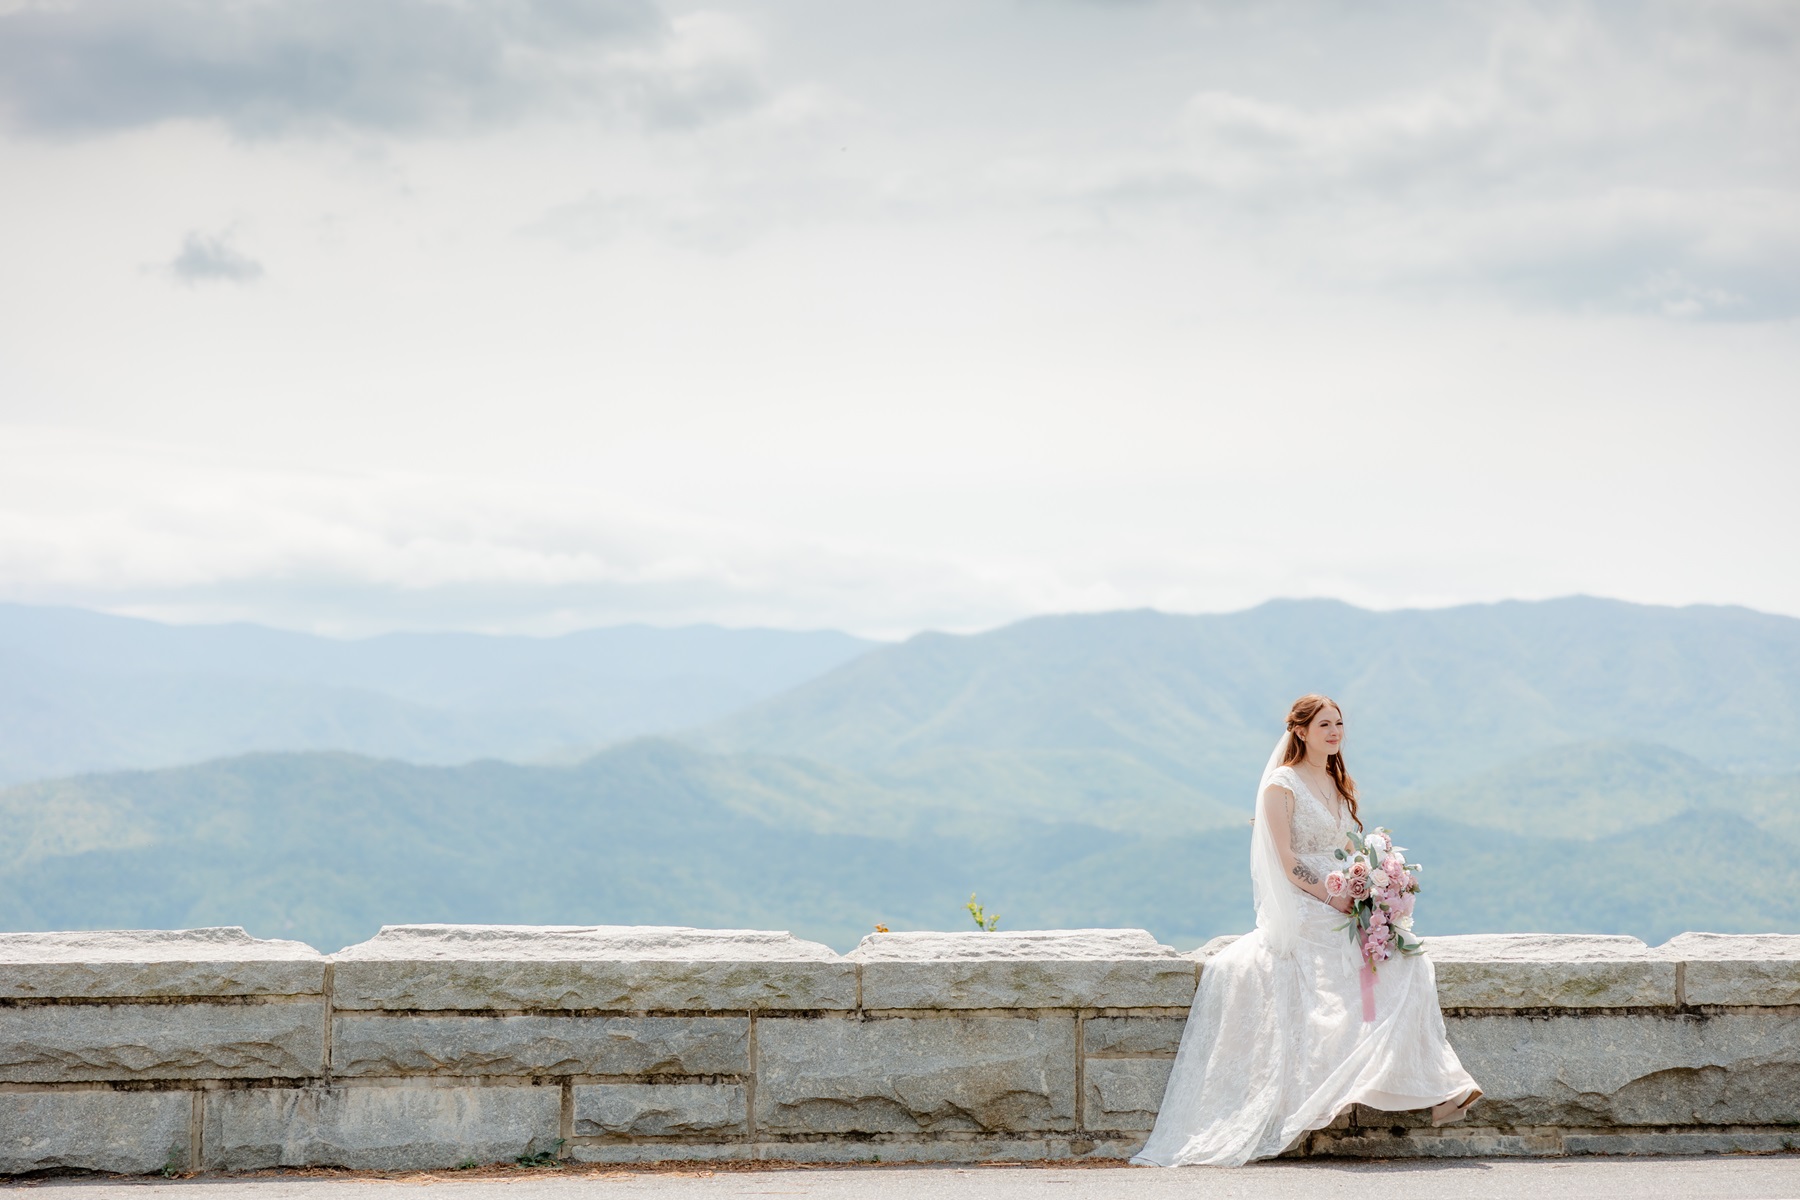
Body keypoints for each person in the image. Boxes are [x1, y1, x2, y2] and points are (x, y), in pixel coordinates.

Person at [1131, 693, 1482, 1167]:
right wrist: (1336, 897)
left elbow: (1348, 850)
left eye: (1339, 723)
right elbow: (1289, 862)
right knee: (1359, 967)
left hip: (1347, 896)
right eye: (1324, 725)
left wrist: (1376, 882)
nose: (1335, 732)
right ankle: (1363, 1079)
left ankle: (1441, 1088)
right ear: (1300, 731)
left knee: (1409, 961)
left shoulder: (1336, 780)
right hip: (1309, 901)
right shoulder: (1282, 785)